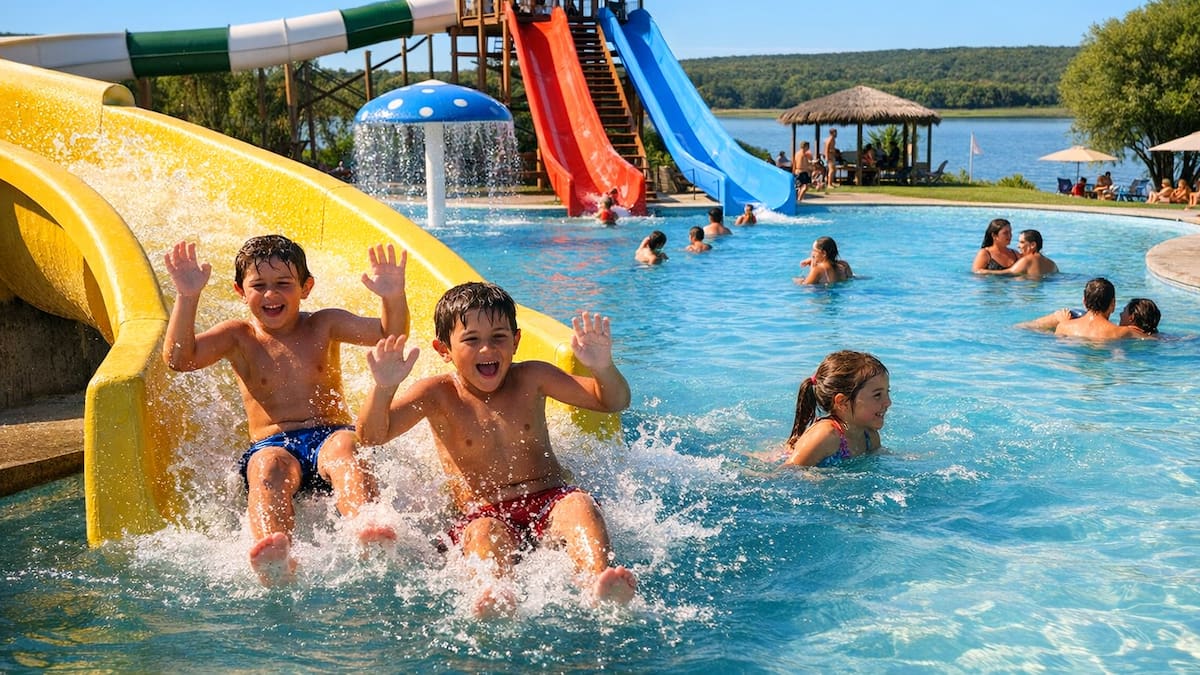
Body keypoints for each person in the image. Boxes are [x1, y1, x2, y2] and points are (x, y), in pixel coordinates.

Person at [357, 282, 637, 615]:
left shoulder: (533, 377)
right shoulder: (437, 394)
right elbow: (371, 435)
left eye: (498, 337)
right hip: (485, 510)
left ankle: (599, 581)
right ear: (443, 348)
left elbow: (612, 402)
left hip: (549, 498)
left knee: (579, 505)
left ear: (516, 341)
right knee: (484, 533)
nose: (487, 349)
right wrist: (384, 388)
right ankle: (494, 594)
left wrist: (602, 367)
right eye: (471, 340)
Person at [161, 236, 409, 586]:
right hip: (274, 444)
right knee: (266, 469)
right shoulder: (238, 336)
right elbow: (179, 359)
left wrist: (392, 296)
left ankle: (367, 525)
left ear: (306, 287)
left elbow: (389, 333)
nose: (270, 294)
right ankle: (273, 553)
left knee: (346, 448)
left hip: (329, 435)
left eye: (283, 284)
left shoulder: (324, 324)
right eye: (258, 286)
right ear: (240, 291)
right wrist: (187, 297)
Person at [783, 351, 890, 467]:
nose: (888, 402)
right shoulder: (826, 435)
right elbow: (787, 472)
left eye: (887, 392)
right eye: (877, 395)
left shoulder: (869, 437)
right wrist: (811, 477)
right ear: (842, 402)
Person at [1017, 277, 1156, 340]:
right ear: (1112, 304)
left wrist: (1064, 322)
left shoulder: (1064, 327)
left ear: (1084, 302)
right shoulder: (1122, 332)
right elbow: (1153, 339)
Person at [977, 229, 1058, 277]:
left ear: (1033, 245)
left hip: (1027, 292)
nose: (1018, 246)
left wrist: (983, 271)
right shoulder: (1052, 264)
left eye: (1022, 242)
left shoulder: (1027, 261)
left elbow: (1006, 273)